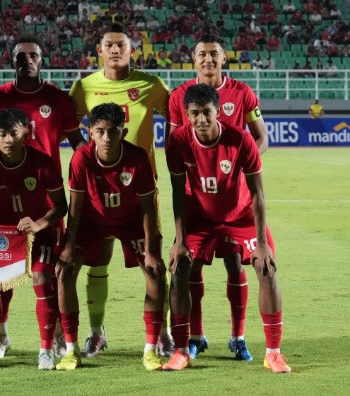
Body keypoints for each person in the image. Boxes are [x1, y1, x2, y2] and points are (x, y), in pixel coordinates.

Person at [164, 84, 291, 373]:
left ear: (218, 112)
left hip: (241, 215)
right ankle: (181, 350)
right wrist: (180, 240)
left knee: (266, 267)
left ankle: (273, 353)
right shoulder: (177, 142)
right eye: (194, 114)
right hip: (200, 218)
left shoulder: (241, 140)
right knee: (179, 267)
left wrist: (261, 242)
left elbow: (258, 194)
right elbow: (177, 193)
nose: (201, 120)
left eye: (207, 113)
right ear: (186, 115)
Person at [69, 22, 171, 358]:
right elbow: (70, 124)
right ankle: (96, 334)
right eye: (109, 45)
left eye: (122, 45)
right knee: (96, 265)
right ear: (99, 50)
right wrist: (88, 155)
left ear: (132, 50)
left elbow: (176, 115)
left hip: (139, 190)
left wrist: (170, 149)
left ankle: (163, 333)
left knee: (153, 264)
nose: (115, 50)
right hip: (97, 193)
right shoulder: (84, 86)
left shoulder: (150, 84)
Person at [166, 34, 268, 362]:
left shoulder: (242, 92)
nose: (208, 60)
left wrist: (240, 166)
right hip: (198, 197)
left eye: (214, 54)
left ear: (224, 57)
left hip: (234, 195)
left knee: (235, 262)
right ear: (193, 59)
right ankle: (196, 336)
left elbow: (260, 138)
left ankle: (237, 337)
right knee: (190, 267)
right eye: (202, 55)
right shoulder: (179, 96)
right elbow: (175, 144)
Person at [0, 35, 86, 357]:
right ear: (12, 61)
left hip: (47, 202)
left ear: (41, 60)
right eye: (21, 56)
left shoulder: (58, 99)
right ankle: (1, 335)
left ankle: (57, 337)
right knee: (0, 274)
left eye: (33, 56)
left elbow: (79, 146)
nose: (27, 61)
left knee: (50, 275)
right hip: (5, 199)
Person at [55, 103, 165, 371]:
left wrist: (150, 250)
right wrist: (69, 246)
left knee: (155, 272)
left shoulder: (137, 157)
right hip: (92, 222)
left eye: (113, 131)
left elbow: (148, 208)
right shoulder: (81, 158)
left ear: (123, 132)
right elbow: (76, 207)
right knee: (65, 271)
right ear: (90, 132)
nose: (106, 138)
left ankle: (151, 350)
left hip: (131, 221)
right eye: (100, 131)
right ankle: (71, 350)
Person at [0, 108, 68, 370]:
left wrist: (37, 225)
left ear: (26, 132)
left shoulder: (42, 162)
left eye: (14, 133)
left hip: (40, 235)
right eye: (2, 134)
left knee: (42, 278)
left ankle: (45, 350)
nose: (8, 139)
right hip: (2, 237)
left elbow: (61, 206)